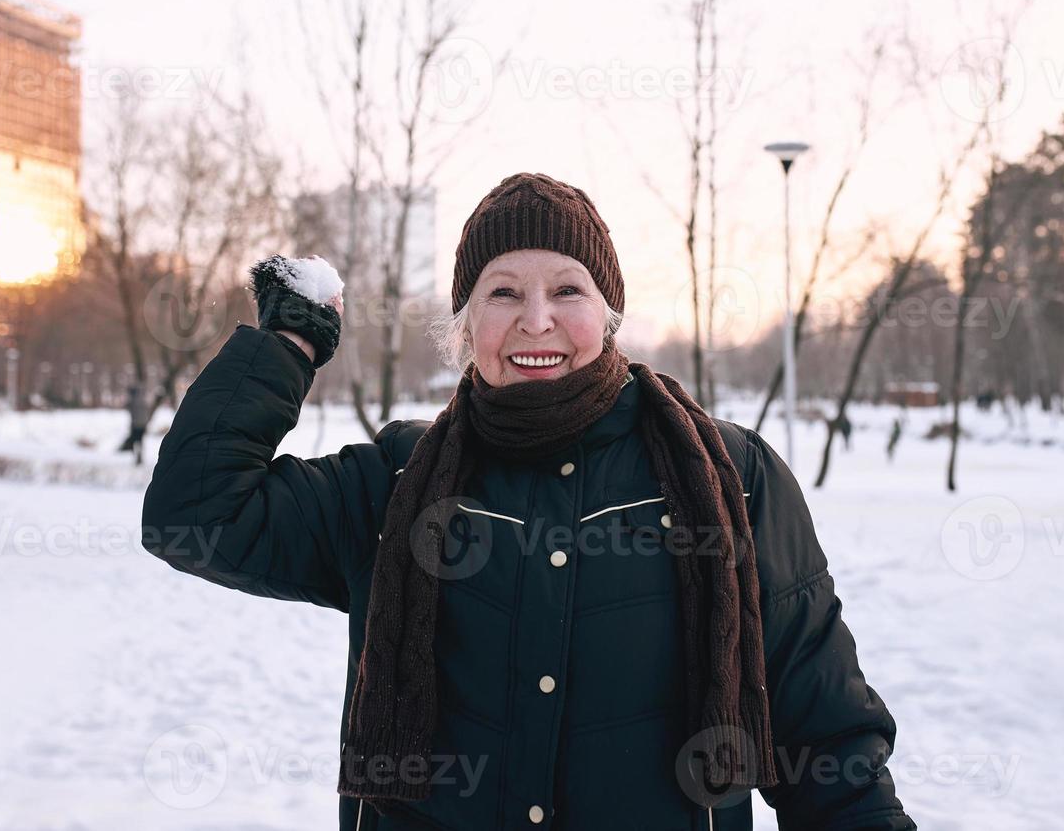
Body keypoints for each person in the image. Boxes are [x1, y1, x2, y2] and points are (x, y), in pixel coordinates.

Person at [141, 173, 915, 830]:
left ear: (606, 315)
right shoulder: (396, 481)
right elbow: (196, 514)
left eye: (566, 290)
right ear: (467, 324)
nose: (535, 319)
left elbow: (827, 741)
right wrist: (287, 347)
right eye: (502, 292)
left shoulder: (731, 477)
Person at [123, 382, 151, 465]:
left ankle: (137, 457)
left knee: (135, 441)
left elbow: (127, 407)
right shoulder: (143, 400)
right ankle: (139, 457)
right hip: (142, 424)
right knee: (140, 441)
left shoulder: (133, 401)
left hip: (135, 425)